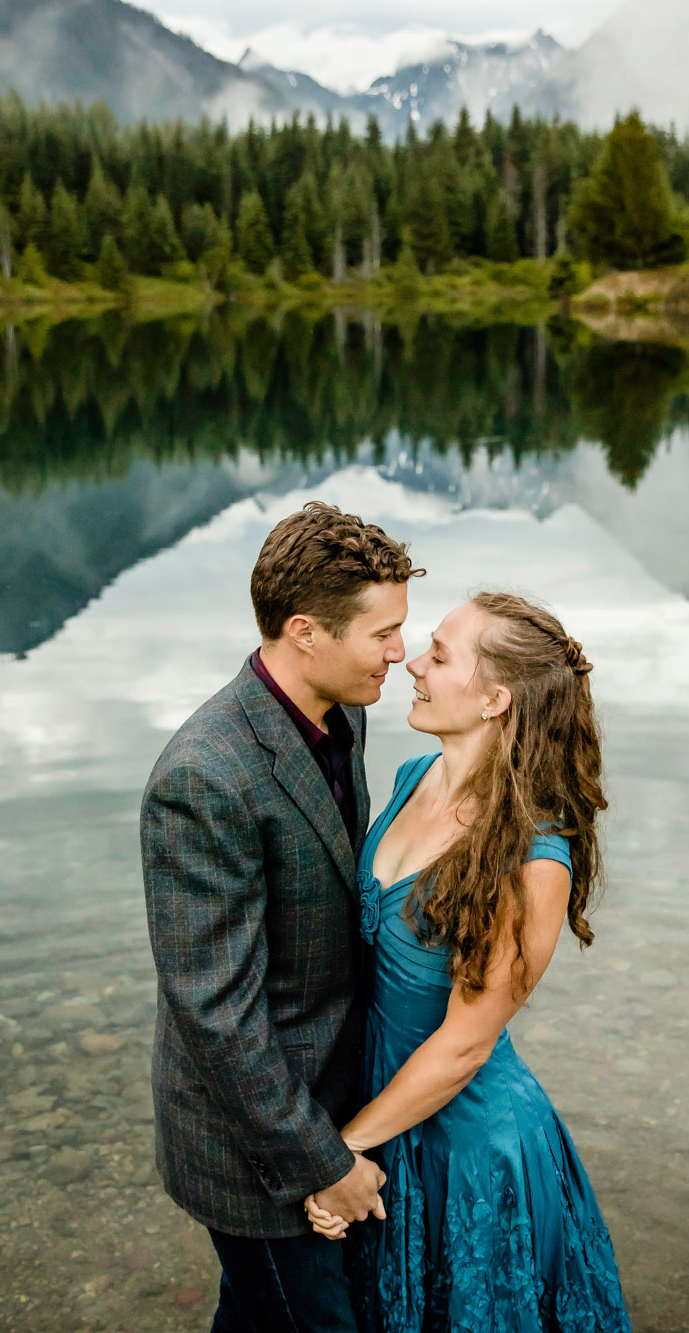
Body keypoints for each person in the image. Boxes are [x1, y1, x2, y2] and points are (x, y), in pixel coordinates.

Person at [305, 591, 632, 1333]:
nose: (411, 663)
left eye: (439, 654)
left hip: (470, 1150)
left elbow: (463, 1046)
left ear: (495, 698)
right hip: (385, 1112)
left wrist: (339, 1153)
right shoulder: (412, 776)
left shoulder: (532, 858)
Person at [141, 501, 422, 1332]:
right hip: (254, 1150)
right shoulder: (202, 778)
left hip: (332, 1099)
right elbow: (216, 1012)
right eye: (383, 633)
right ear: (305, 631)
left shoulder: (347, 710)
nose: (400, 653)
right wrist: (322, 1163)